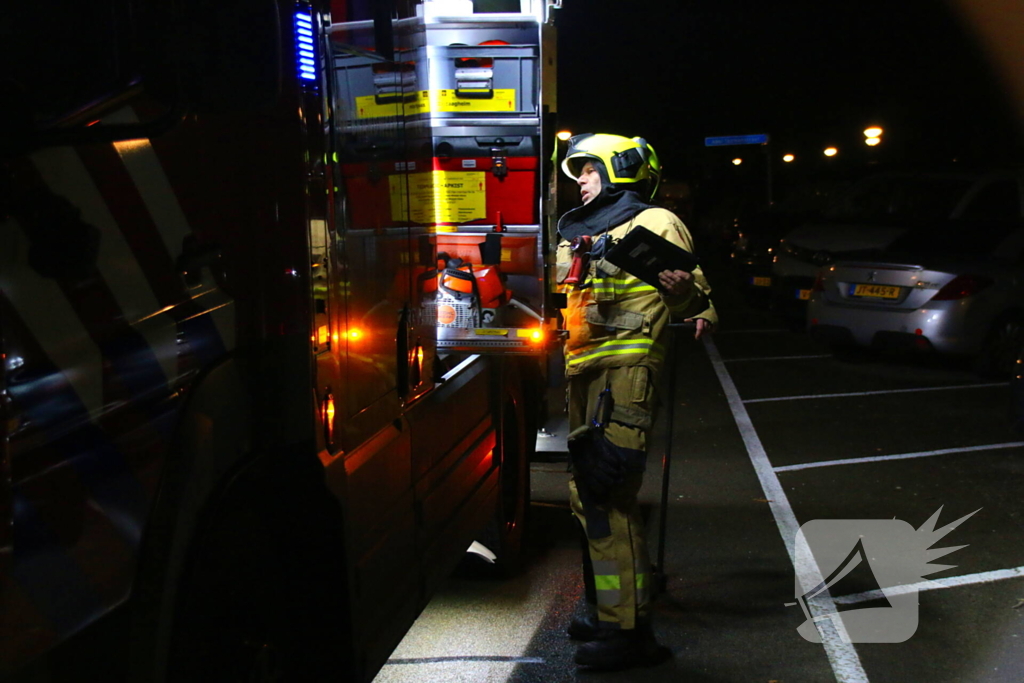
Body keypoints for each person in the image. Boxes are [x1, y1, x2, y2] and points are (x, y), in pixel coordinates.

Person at [555, 133, 718, 670]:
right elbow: (563, 298)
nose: (578, 180)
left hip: (626, 377)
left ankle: (630, 632)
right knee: (587, 498)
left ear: (620, 169)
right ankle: (606, 610)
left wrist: (682, 295)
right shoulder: (576, 233)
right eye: (576, 171)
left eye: (589, 170)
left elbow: (695, 296)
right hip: (582, 377)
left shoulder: (654, 224)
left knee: (610, 494)